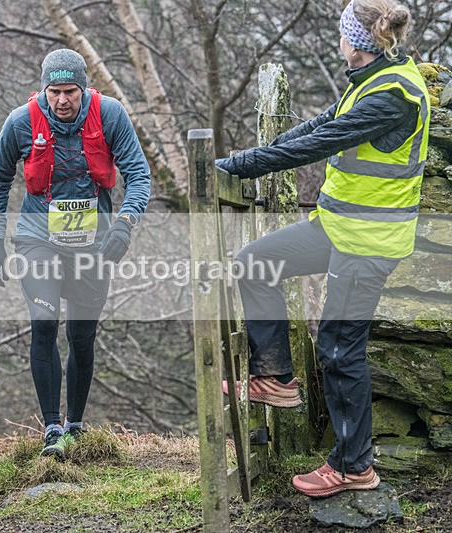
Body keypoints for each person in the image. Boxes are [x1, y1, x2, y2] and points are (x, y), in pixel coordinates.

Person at [215, 0, 429, 498]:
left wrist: (239, 167)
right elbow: (313, 127)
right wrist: (235, 160)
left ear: (354, 39)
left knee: (337, 349)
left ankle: (355, 466)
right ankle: (276, 379)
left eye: (342, 31)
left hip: (371, 243)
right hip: (338, 227)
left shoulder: (394, 94)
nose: (338, 38)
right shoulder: (372, 77)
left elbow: (316, 144)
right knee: (254, 263)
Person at [0, 49, 150, 460]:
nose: (62, 100)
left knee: (81, 335)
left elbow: (138, 175)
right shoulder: (21, 122)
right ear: (43, 90)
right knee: (44, 323)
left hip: (93, 242)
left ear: (84, 88)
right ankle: (51, 429)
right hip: (37, 237)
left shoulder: (110, 115)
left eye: (70, 91)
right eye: (54, 91)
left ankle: (74, 423)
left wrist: (125, 225)